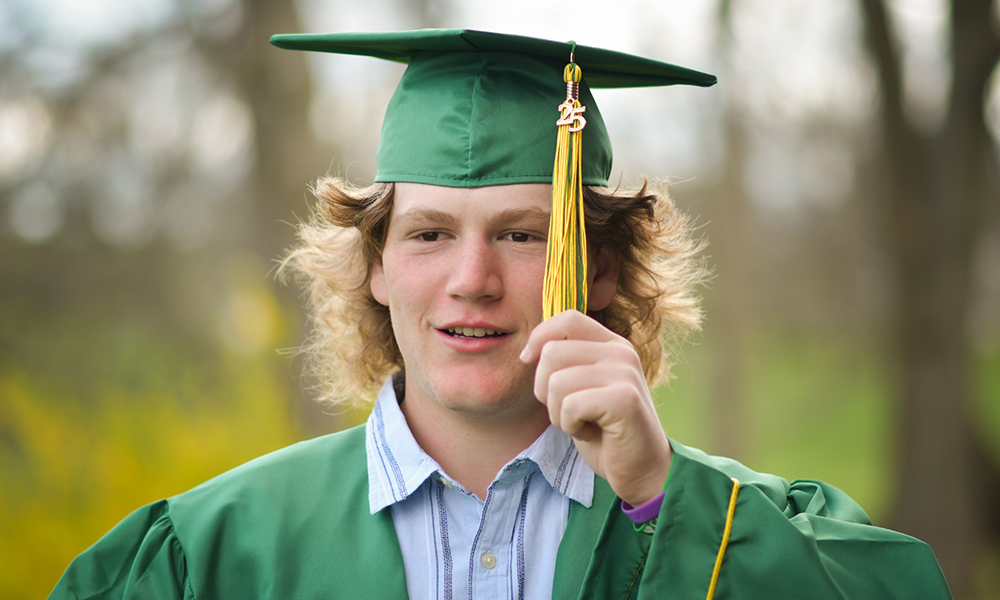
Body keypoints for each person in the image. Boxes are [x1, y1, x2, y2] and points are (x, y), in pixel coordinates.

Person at [49, 29, 951, 600]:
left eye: (523, 237)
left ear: (599, 270)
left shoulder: (741, 527)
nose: (472, 279)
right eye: (430, 234)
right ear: (376, 268)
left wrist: (659, 494)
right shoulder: (211, 555)